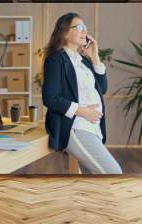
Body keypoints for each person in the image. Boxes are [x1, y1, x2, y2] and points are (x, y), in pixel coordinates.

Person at [42, 12, 122, 174]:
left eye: (85, 27)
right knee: (113, 173)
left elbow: (102, 88)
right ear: (64, 32)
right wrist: (84, 112)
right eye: (79, 27)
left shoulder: (83, 61)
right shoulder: (56, 60)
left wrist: (95, 58)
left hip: (92, 127)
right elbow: (50, 98)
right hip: (74, 127)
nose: (84, 31)